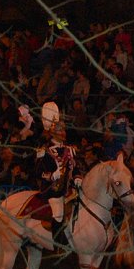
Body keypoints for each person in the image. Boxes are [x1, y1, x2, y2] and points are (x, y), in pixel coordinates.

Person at [34, 101, 82, 247]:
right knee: (59, 213)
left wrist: (78, 176)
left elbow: (76, 166)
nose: (64, 132)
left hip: (69, 188)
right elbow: (38, 172)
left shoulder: (71, 149)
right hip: (53, 189)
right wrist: (51, 175)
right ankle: (58, 244)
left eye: (64, 129)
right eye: (60, 130)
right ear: (53, 132)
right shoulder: (44, 150)